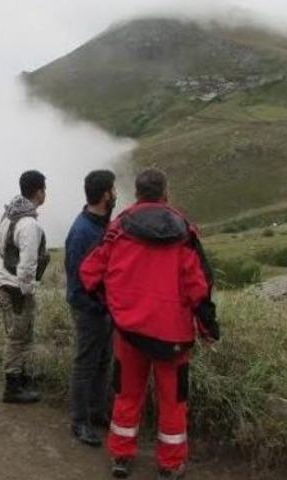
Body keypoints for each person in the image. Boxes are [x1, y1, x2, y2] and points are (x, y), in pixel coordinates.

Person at [79, 169, 219, 480]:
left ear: (138, 193)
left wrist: (114, 307)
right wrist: (209, 330)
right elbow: (199, 287)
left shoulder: (118, 228)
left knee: (127, 395)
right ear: (165, 192)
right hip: (174, 336)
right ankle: (170, 465)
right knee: (173, 401)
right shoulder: (184, 231)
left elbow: (89, 273)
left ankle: (121, 456)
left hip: (129, 332)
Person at [64, 170, 117, 447]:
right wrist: (95, 306)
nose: (116, 194)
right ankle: (79, 421)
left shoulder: (103, 225)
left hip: (104, 309)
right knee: (85, 365)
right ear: (105, 194)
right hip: (89, 310)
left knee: (103, 361)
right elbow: (75, 282)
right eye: (113, 189)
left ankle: (97, 412)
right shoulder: (82, 232)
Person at [0, 170, 51, 404]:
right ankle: (13, 387)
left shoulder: (9, 214)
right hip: (16, 288)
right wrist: (27, 292)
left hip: (4, 282)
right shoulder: (28, 224)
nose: (45, 194)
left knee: (21, 335)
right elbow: (28, 264)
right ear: (39, 191)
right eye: (44, 189)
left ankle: (23, 378)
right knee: (18, 337)